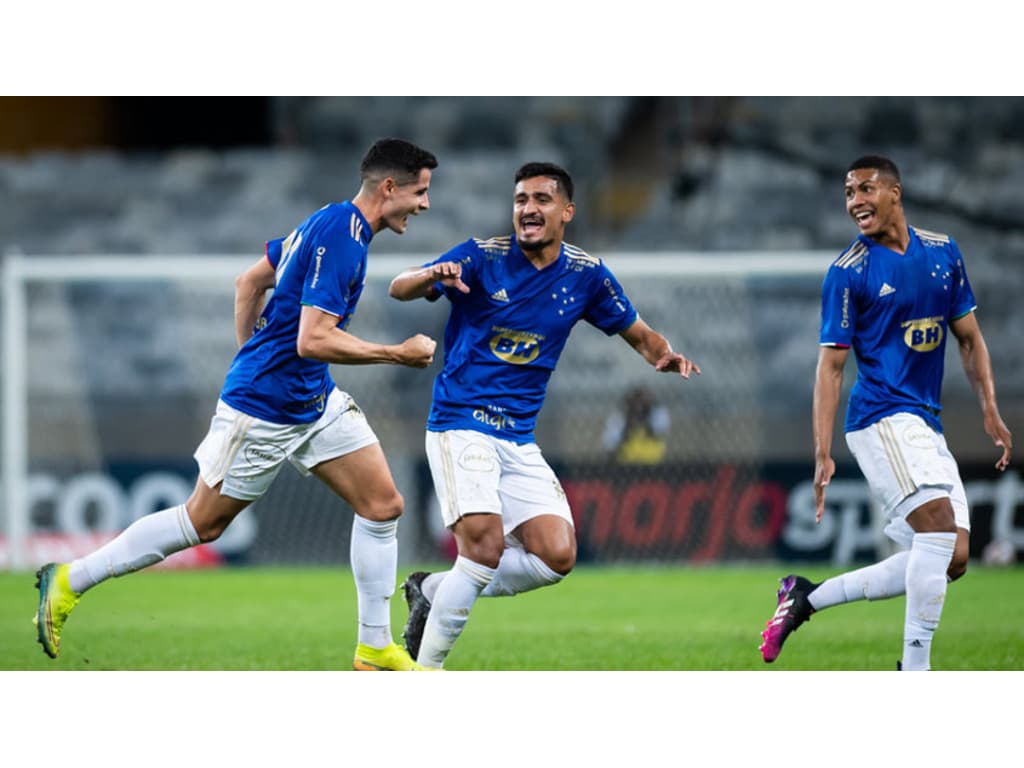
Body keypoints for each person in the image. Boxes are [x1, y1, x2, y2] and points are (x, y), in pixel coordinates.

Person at [33, 138, 440, 671]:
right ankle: (69, 579)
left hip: (312, 400)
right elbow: (312, 340)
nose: (425, 204)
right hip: (266, 408)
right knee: (203, 523)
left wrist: (252, 347)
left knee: (383, 505)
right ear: (390, 188)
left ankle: (373, 648)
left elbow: (250, 280)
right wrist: (397, 353)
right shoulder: (342, 241)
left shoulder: (328, 220)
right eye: (420, 191)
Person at [388, 161, 701, 669]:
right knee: (484, 550)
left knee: (556, 556)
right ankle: (426, 671)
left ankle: (431, 589)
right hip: (461, 423)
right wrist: (429, 273)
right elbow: (398, 287)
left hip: (518, 437)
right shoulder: (480, 257)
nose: (528, 210)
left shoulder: (587, 275)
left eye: (541, 200)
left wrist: (665, 354)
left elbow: (639, 334)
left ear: (567, 211)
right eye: (520, 201)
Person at [759, 155, 1013, 670]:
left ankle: (806, 597)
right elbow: (830, 369)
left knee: (953, 557)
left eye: (865, 189)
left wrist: (989, 407)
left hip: (924, 421)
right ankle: (913, 671)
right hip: (879, 417)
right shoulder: (848, 272)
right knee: (938, 532)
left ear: (895, 193)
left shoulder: (944, 253)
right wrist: (821, 450)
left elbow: (969, 338)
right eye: (848, 193)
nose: (855, 201)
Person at [601, 385, 671, 464]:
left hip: (653, 462)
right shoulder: (619, 419)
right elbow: (610, 444)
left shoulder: (656, 415)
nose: (639, 406)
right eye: (636, 401)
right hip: (626, 463)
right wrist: (628, 424)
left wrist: (645, 419)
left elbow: (660, 430)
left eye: (642, 402)